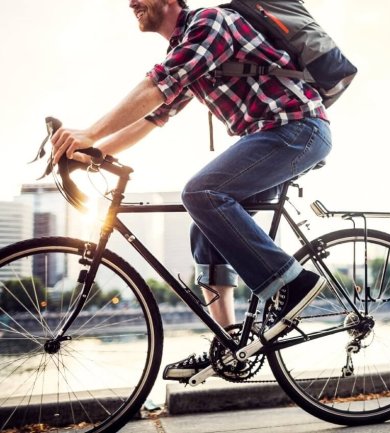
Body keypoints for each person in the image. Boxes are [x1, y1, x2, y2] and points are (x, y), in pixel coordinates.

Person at [50, 0, 332, 382]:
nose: (130, 2)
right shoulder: (186, 46)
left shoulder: (210, 23)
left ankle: (293, 283)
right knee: (206, 220)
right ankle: (231, 345)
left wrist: (89, 131)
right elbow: (152, 118)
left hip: (296, 129)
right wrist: (93, 152)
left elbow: (155, 85)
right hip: (272, 135)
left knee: (202, 194)